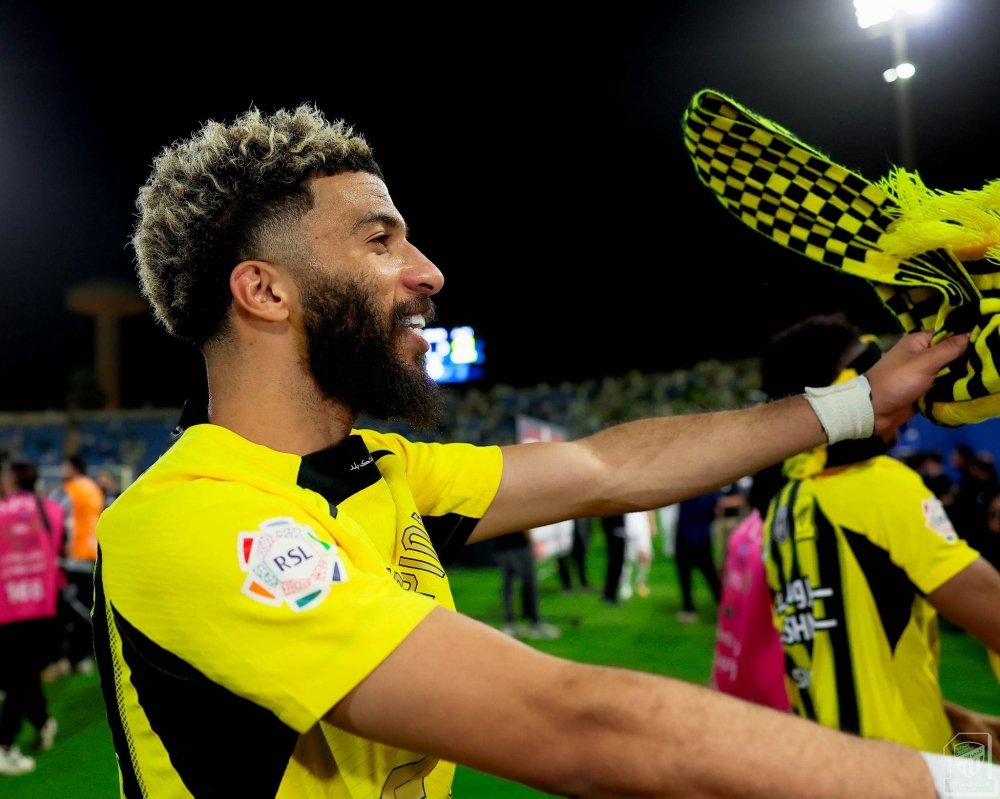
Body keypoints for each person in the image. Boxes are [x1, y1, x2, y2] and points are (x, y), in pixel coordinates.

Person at [92, 102, 984, 798]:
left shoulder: (383, 468)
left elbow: (610, 468)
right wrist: (958, 784)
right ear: (264, 291)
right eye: (380, 238)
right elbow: (575, 725)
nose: (428, 271)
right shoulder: (190, 518)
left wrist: (861, 400)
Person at [759, 313, 1000, 758]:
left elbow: (848, 662)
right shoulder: (878, 486)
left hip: (827, 765)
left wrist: (949, 717)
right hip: (904, 770)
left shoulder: (785, 504)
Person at [0, 460, 64, 775]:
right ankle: (42, 722)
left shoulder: (2, 512)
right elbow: (56, 549)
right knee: (24, 672)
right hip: (41, 604)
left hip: (7, 605)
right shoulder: (50, 510)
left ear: (11, 480)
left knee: (17, 676)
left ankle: (5, 744)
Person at [49, 453, 102, 676]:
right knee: (87, 607)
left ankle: (66, 657)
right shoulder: (94, 489)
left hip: (72, 558)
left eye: (64, 466)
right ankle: (83, 655)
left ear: (72, 468)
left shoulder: (68, 491)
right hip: (91, 556)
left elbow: (53, 519)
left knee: (66, 611)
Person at [492, 528, 560, 640]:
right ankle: (535, 623)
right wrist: (532, 543)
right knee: (528, 585)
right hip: (518, 546)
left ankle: (510, 623)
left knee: (509, 587)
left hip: (502, 547)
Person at [673, 489, 724, 623]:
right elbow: (717, 512)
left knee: (688, 575)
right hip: (700, 536)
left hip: (688, 536)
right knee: (708, 575)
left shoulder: (689, 490)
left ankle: (689, 608)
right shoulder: (713, 491)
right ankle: (723, 605)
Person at [556, 516, 592, 593]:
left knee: (581, 560)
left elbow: (587, 524)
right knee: (563, 561)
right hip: (563, 536)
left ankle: (583, 583)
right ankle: (567, 585)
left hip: (578, 534)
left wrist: (587, 537)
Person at [598, 512, 627, 604]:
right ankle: (610, 595)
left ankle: (610, 593)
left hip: (614, 527)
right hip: (615, 528)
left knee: (615, 562)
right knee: (616, 562)